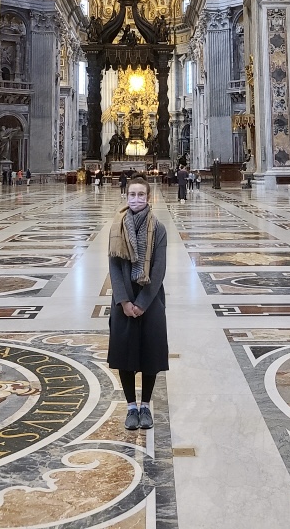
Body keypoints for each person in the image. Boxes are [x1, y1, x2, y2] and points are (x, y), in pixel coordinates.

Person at [107, 173, 168, 431]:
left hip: (150, 298)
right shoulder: (116, 227)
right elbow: (113, 267)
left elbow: (158, 269)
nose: (136, 199)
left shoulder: (160, 229)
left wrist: (142, 303)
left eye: (140, 194)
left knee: (150, 353)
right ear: (126, 195)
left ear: (148, 197)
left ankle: (145, 405)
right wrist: (124, 302)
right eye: (132, 194)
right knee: (124, 353)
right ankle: (131, 406)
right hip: (123, 298)